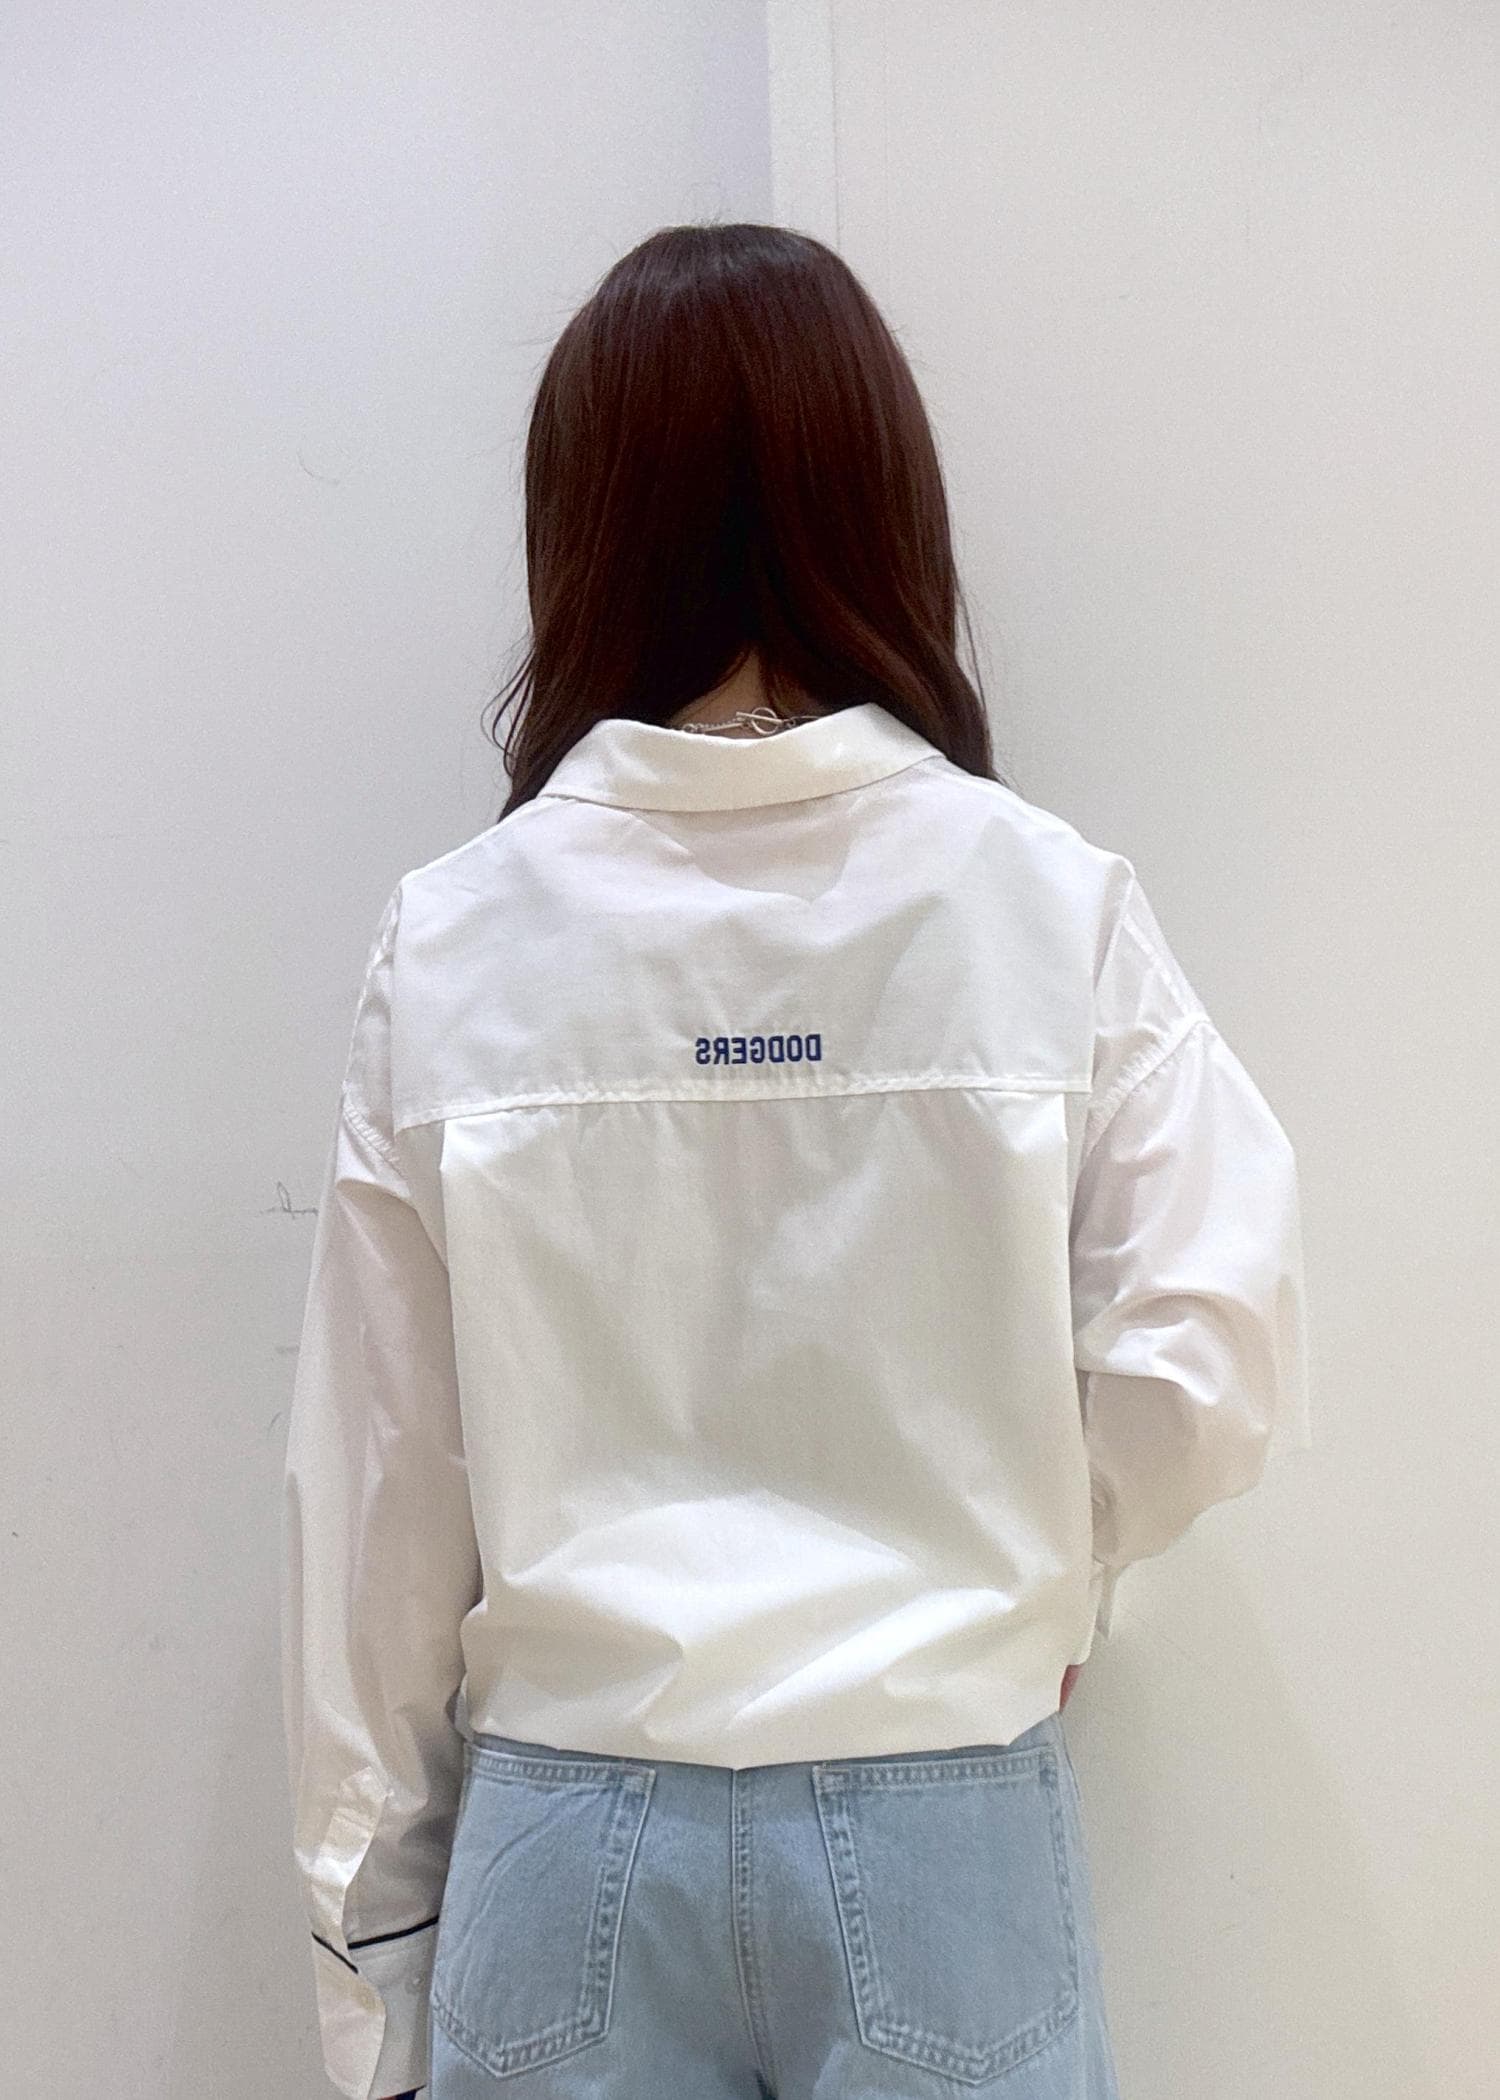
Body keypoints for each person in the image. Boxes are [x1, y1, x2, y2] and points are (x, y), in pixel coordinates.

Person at [280, 221, 1310, 2100]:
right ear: (882, 500)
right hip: (943, 1825)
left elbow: (378, 1496)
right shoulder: (1044, 902)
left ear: (583, 522)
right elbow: (1207, 1349)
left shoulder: (457, 939)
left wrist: (374, 1986)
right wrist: (1038, 1562)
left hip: (564, 1837)